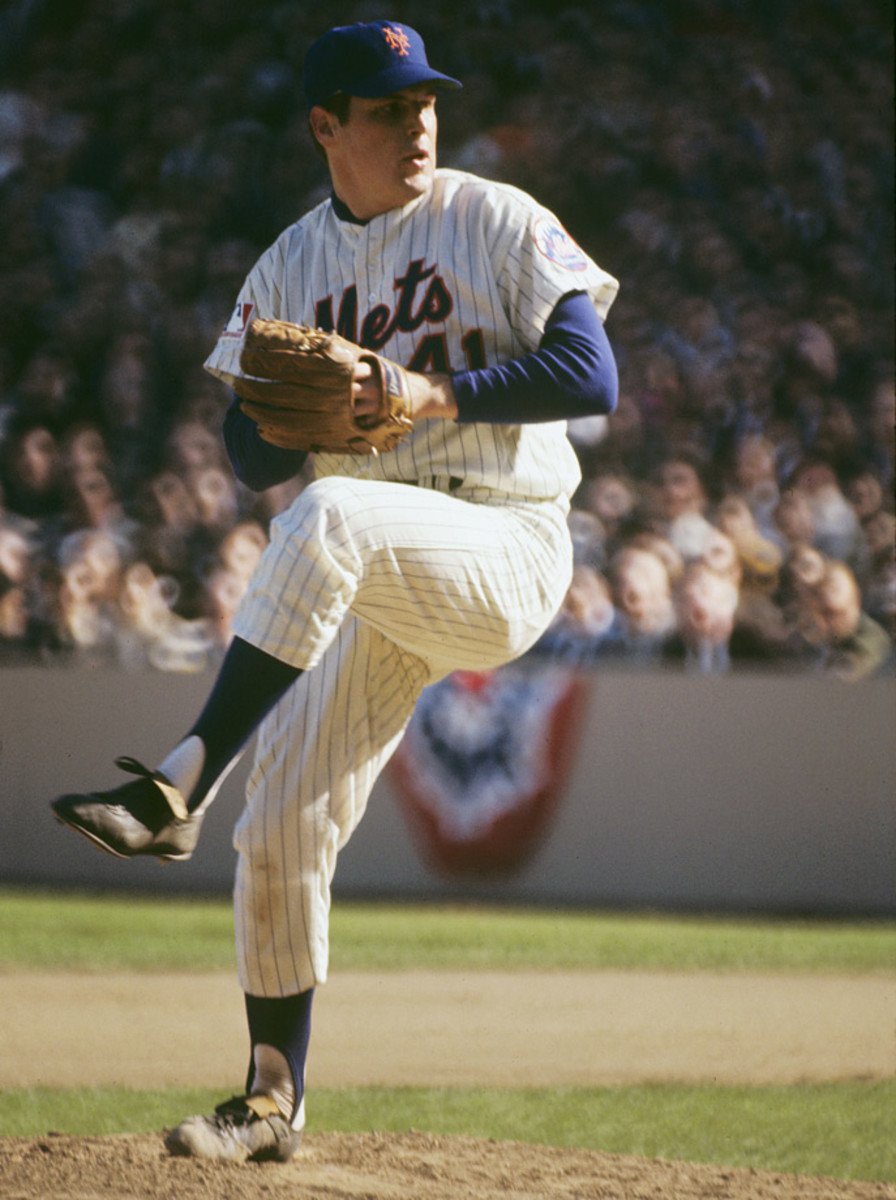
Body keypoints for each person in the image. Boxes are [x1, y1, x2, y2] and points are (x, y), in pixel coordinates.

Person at [51, 20, 619, 1164]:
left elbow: (589, 372)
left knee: (329, 513)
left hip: (503, 539)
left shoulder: (492, 216)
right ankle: (271, 1098)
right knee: (279, 821)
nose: (417, 124)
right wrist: (289, 412)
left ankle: (177, 781)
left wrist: (422, 394)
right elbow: (245, 453)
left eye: (424, 102)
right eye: (386, 108)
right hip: (374, 573)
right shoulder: (286, 269)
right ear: (324, 126)